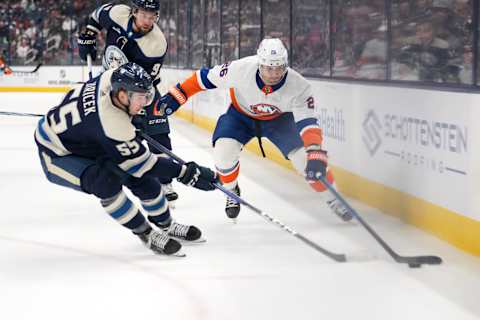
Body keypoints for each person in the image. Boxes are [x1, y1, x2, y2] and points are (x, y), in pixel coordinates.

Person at [156, 38, 352, 222]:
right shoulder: (241, 69)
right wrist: (177, 94)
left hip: (280, 121)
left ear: (285, 65)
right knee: (223, 154)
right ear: (259, 64)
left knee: (305, 160)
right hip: (240, 116)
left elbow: (307, 122)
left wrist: (315, 150)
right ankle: (232, 191)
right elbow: (203, 78)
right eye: (268, 68)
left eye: (278, 68)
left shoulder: (299, 85)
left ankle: (334, 198)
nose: (273, 74)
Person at [34, 62, 218, 256]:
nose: (145, 104)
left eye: (147, 97)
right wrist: (185, 173)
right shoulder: (112, 125)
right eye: (141, 98)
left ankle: (166, 225)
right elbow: (146, 164)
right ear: (122, 95)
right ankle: (146, 233)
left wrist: (131, 117)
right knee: (106, 183)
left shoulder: (113, 77)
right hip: (56, 152)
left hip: (87, 137)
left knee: (143, 181)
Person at [77, 0, 180, 206]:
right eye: (144, 15)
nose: (148, 20)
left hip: (143, 89)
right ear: (134, 12)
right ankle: (105, 172)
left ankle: (165, 182)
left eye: (153, 16)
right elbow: (96, 17)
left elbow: (147, 82)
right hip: (108, 83)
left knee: (158, 132)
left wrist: (138, 109)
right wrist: (89, 34)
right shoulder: (117, 13)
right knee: (105, 130)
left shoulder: (156, 44)